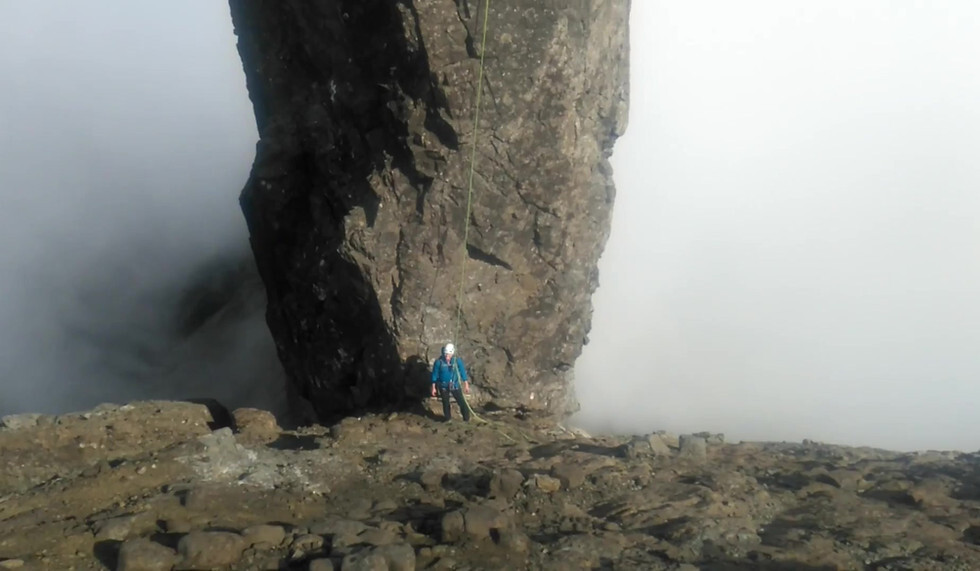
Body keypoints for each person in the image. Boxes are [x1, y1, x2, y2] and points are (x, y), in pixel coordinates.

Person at [430, 343, 471, 422]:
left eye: (449, 355)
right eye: (446, 355)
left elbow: (462, 372)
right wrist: (433, 388)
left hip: (454, 384)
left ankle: (466, 419)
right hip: (443, 386)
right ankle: (448, 419)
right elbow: (434, 375)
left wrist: (466, 384)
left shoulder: (457, 361)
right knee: (445, 403)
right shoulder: (439, 362)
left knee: (461, 402)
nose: (447, 357)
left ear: (452, 354)